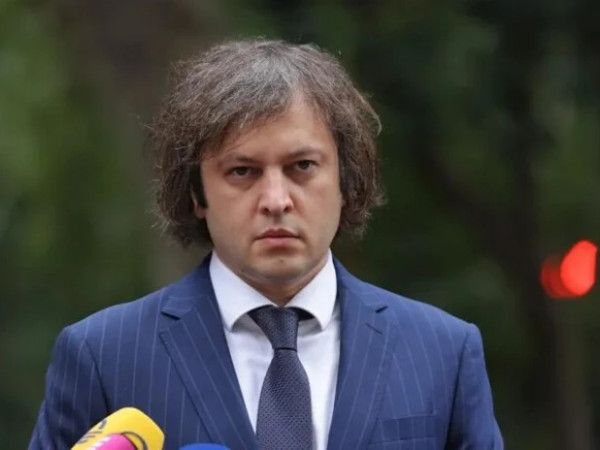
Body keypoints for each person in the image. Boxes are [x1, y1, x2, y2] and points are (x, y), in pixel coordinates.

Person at [29, 39, 503, 450]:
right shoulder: (104, 356)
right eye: (243, 171)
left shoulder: (443, 352)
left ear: (346, 179)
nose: (276, 200)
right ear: (196, 193)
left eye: (302, 167)